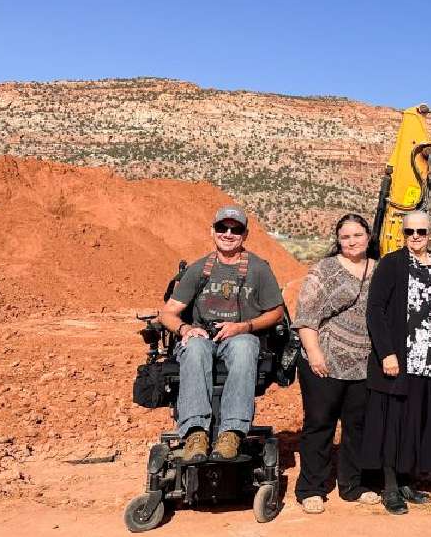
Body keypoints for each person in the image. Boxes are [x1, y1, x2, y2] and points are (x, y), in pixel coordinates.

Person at [157, 205, 285, 463]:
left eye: (235, 229)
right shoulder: (199, 268)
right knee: (193, 348)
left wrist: (244, 326)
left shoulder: (258, 269)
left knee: (245, 347)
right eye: (222, 228)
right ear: (212, 231)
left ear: (244, 234)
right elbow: (167, 313)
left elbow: (277, 313)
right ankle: (195, 433)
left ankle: (232, 432)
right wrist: (185, 328)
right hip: (203, 336)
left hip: (240, 334)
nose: (228, 233)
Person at [361, 211, 431, 516]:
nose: (415, 236)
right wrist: (387, 353)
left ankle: (405, 482)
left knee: (415, 423)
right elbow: (375, 309)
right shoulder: (392, 263)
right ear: (403, 233)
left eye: (421, 231)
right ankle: (389, 486)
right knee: (393, 424)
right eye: (409, 231)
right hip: (399, 360)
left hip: (430, 362)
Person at [292, 214, 381, 513]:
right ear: (338, 240)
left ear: (368, 236)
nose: (352, 241)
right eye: (345, 237)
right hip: (324, 360)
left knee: (358, 426)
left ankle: (353, 485)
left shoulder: (379, 270)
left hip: (363, 363)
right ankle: (311, 488)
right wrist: (314, 354)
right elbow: (305, 315)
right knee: (320, 424)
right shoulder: (323, 270)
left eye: (357, 235)